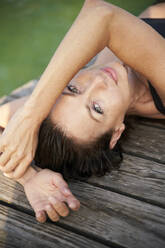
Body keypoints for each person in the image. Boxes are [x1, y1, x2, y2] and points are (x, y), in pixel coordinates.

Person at [0, 0, 165, 222]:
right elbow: (100, 12)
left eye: (72, 88)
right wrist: (29, 117)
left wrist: (28, 175)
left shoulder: (95, 78)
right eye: (97, 108)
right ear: (116, 133)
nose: (97, 80)